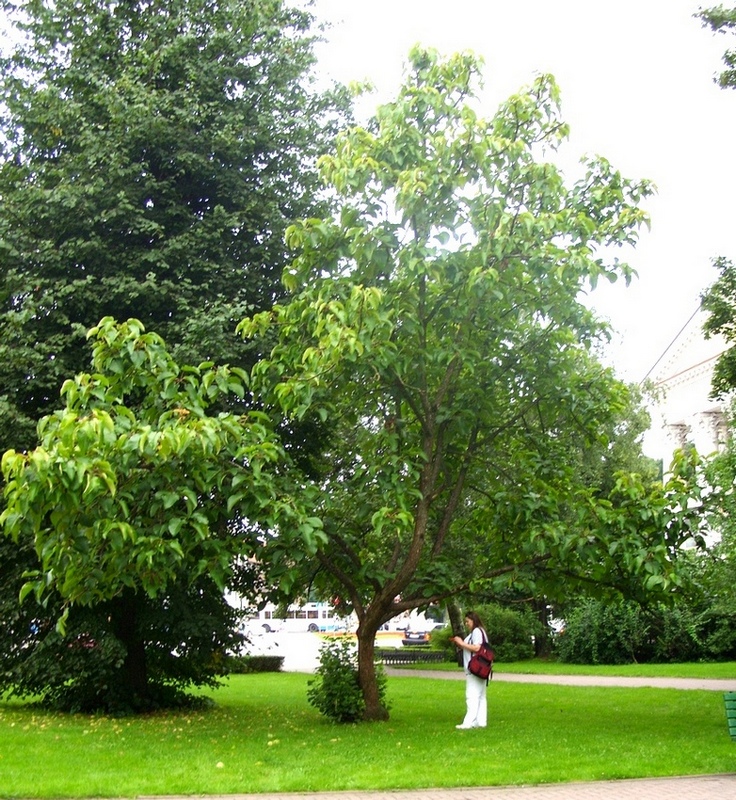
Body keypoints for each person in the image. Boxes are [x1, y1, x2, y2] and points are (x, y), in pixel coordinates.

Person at [449, 610, 488, 729]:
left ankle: (469, 722)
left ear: (473, 620)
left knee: (471, 696)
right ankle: (481, 721)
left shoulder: (476, 631)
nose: (466, 624)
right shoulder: (481, 631)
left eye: (468, 621)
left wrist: (461, 643)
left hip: (474, 668)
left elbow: (477, 647)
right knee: (480, 696)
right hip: (482, 668)